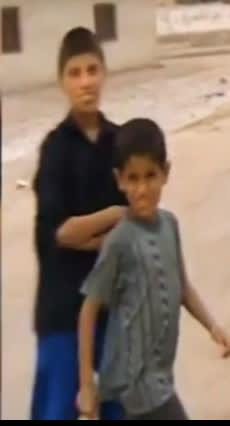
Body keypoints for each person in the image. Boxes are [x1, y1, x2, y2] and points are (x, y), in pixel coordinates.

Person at [76, 119, 230, 420]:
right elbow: (89, 308)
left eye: (151, 176)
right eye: (133, 179)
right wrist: (86, 384)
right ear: (119, 180)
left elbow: (182, 287)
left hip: (160, 375)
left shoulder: (170, 225)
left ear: (166, 173)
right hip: (134, 382)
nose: (142, 189)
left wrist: (212, 327)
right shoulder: (120, 240)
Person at [29, 27, 128, 421]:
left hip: (114, 309)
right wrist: (113, 218)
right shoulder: (55, 150)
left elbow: (138, 222)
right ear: (61, 82)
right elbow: (60, 232)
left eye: (92, 69)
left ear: (105, 73)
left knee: (122, 408)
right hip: (63, 312)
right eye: (74, 73)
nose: (85, 81)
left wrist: (90, 236)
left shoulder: (121, 143)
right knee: (59, 410)